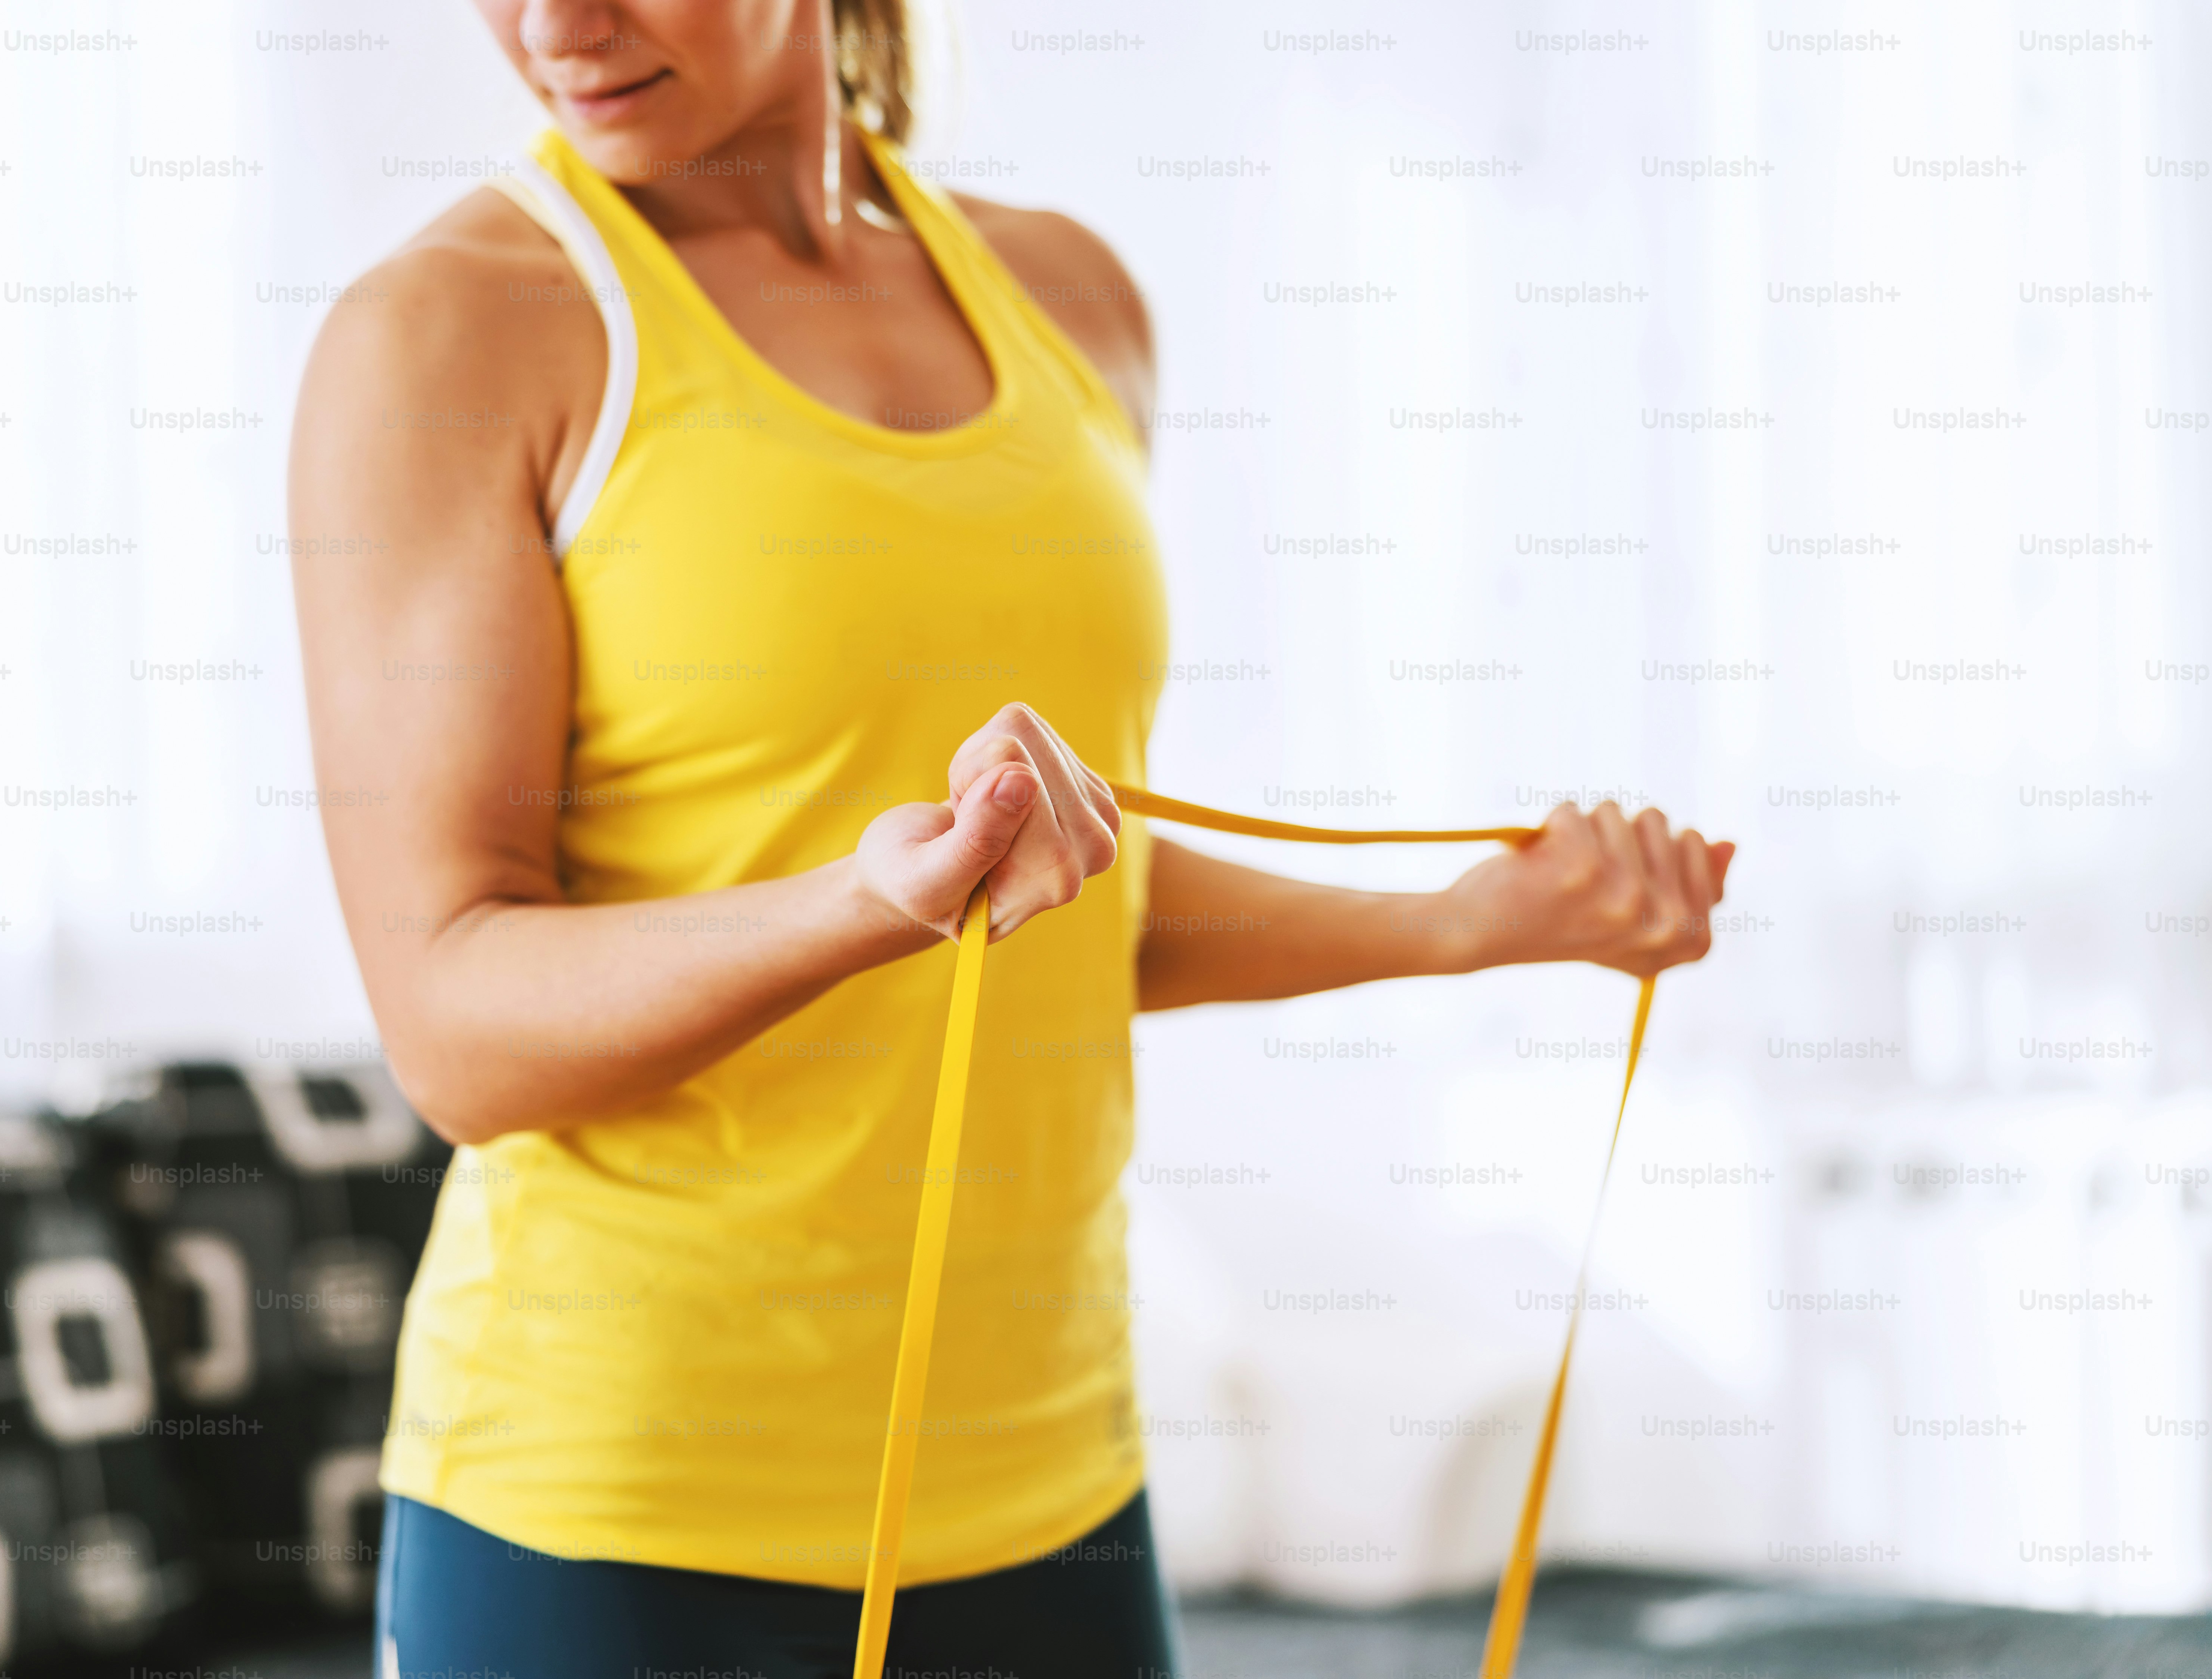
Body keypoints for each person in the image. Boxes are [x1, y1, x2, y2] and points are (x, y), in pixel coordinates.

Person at [286, 2, 1737, 1673]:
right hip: (611, 1518)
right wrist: (857, 908)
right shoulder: (452, 337)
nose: (557, 23)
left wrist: (1471, 923)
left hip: (1056, 1498)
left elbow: (1074, 885)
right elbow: (455, 1020)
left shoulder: (1076, 304)